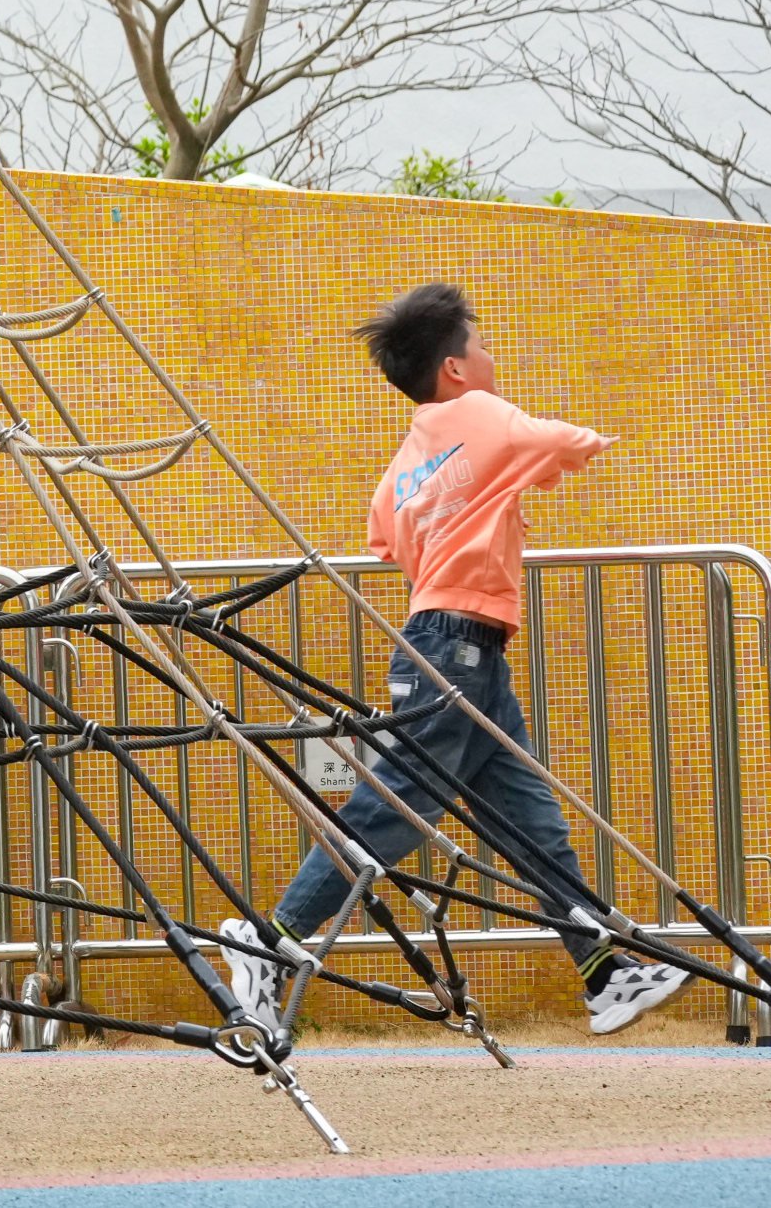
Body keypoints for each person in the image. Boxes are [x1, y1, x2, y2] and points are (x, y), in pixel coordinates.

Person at [208, 280, 688, 1046]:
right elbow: (554, 443)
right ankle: (268, 937)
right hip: (457, 648)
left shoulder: (404, 462)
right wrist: (602, 441)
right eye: (481, 345)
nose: (490, 356)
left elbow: (385, 537)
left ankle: (603, 972)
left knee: (527, 817)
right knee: (399, 805)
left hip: (455, 645)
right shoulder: (480, 415)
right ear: (456, 369)